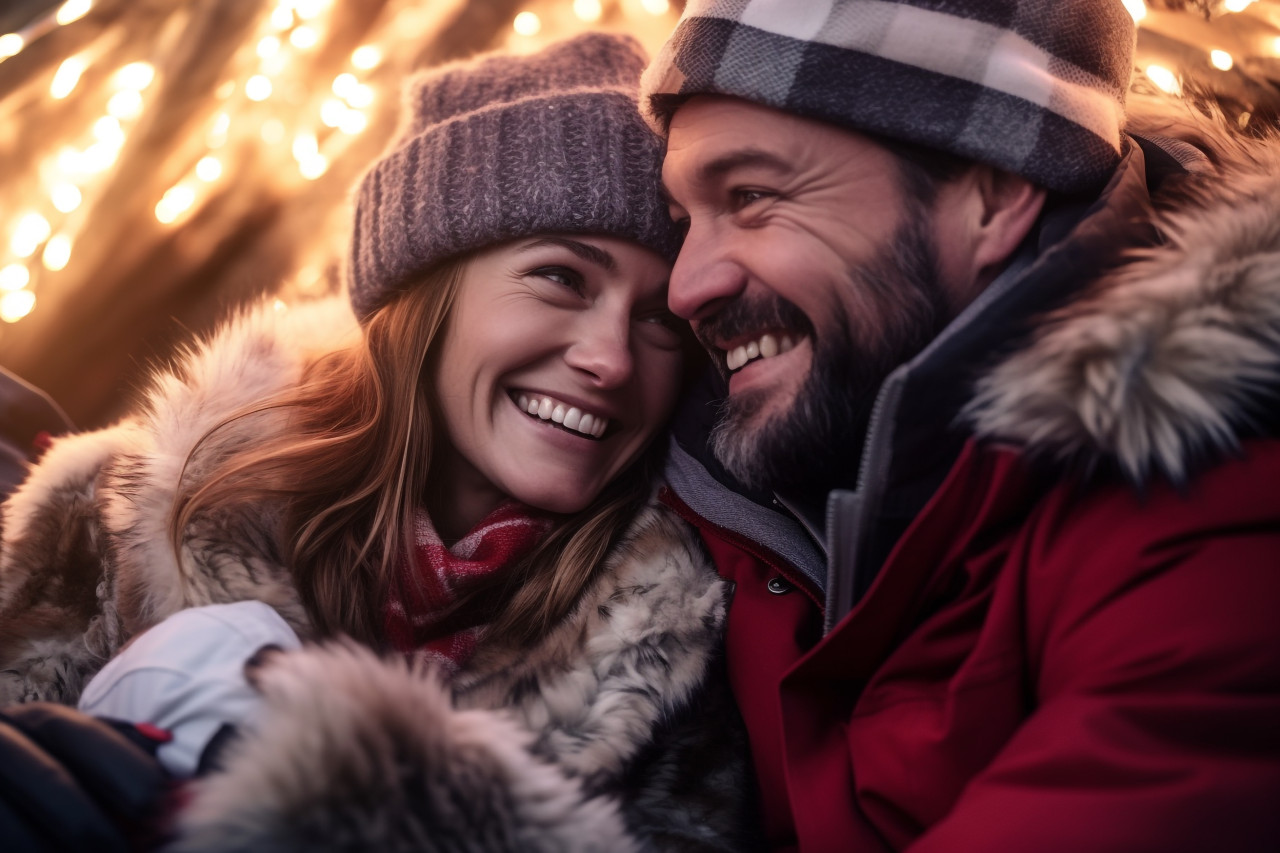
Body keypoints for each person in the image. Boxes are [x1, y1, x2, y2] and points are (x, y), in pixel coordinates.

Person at [0, 33, 753, 850]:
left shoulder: (677, 664)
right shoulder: (112, 519)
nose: (611, 359)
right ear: (426, 292)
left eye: (658, 318)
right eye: (562, 278)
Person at [639, 1, 1280, 850]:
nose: (686, 288)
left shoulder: (1217, 516)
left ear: (994, 191)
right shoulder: (696, 503)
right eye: (683, 223)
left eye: (753, 196)